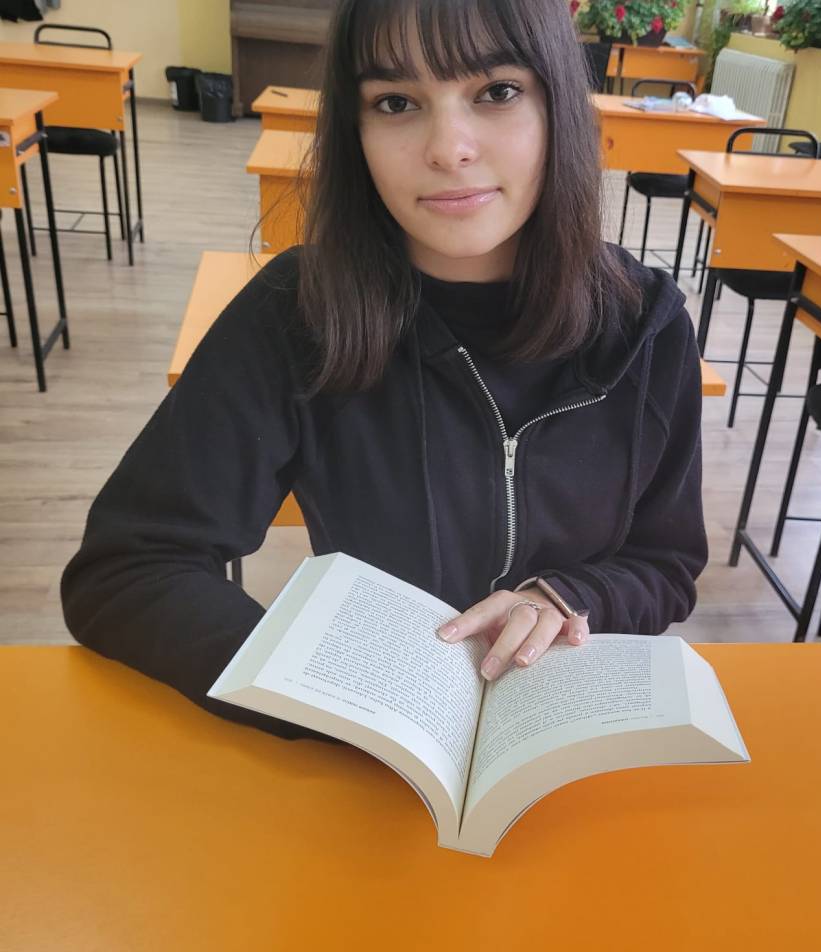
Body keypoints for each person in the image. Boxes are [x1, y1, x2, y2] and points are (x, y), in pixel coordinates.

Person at [61, 0, 707, 740]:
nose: (449, 149)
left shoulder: (646, 326)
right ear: (355, 129)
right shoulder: (298, 312)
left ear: (557, 104)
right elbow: (126, 569)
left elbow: (665, 560)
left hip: (569, 742)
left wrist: (567, 596)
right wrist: (313, 691)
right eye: (396, 102)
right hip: (367, 760)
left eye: (496, 91)